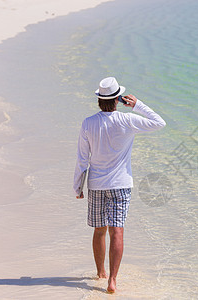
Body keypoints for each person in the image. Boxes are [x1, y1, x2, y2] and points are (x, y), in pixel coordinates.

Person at [73, 76, 166, 293]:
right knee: (118, 232)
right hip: (121, 185)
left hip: (96, 185)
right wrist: (138, 105)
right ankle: (112, 280)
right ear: (118, 100)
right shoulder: (127, 120)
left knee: (99, 231)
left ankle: (100, 272)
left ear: (99, 100)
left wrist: (77, 186)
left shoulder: (88, 123)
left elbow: (81, 158)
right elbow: (159, 123)